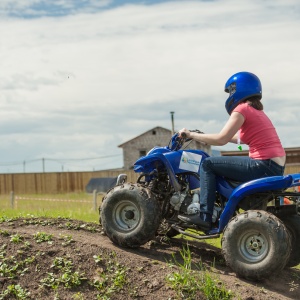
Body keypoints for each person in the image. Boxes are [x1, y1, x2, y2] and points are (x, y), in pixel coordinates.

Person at [178, 71, 286, 230]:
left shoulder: (242, 109)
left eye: (230, 91)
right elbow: (236, 138)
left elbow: (221, 140)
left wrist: (191, 135)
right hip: (275, 166)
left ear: (237, 89)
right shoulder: (256, 111)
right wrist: (205, 135)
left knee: (208, 164)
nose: (229, 95)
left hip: (263, 164)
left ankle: (204, 215)